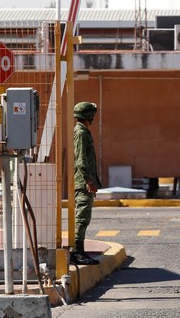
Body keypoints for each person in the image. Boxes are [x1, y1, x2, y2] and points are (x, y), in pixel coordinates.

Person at [71, 102, 102, 265]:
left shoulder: (83, 131)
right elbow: (81, 160)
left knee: (84, 216)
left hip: (84, 181)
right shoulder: (80, 132)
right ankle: (77, 251)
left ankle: (79, 250)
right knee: (82, 217)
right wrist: (89, 181)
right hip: (83, 182)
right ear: (88, 116)